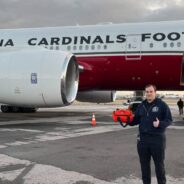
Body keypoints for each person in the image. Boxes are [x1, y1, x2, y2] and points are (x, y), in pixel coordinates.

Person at [128, 84, 172, 184]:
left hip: (157, 140)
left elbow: (169, 120)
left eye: (151, 91)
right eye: (147, 92)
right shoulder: (141, 105)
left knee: (159, 167)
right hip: (143, 141)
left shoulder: (162, 105)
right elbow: (135, 121)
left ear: (155, 93)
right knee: (144, 166)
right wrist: (125, 120)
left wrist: (160, 123)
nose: (148, 94)